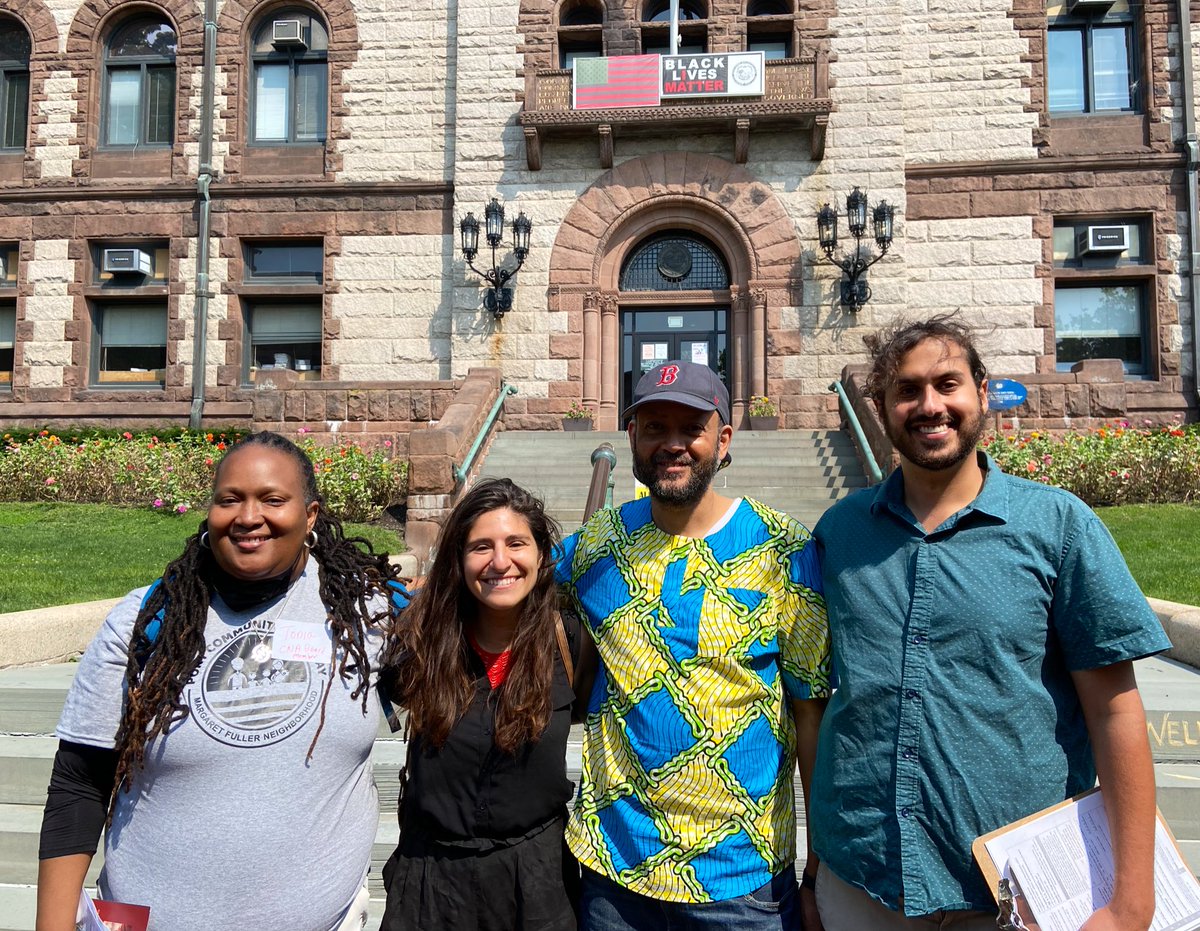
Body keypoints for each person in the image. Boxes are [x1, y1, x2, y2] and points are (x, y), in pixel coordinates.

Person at [810, 314, 1171, 931]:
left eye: (947, 384)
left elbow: (1115, 710)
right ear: (880, 406)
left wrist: (1134, 900)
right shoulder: (839, 532)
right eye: (907, 389)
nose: (930, 405)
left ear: (981, 391)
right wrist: (818, 869)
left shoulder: (1058, 525)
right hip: (864, 880)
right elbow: (824, 705)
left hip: (1016, 887)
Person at [37, 431, 403, 931]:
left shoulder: (366, 613)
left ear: (311, 515)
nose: (249, 517)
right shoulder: (145, 619)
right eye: (230, 499)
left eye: (273, 499)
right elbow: (79, 784)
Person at [556, 360, 831, 930]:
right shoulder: (597, 543)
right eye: (654, 427)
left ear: (723, 439)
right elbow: (506, 576)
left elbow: (810, 715)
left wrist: (818, 868)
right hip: (613, 873)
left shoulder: (786, 551)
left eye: (691, 429)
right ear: (632, 436)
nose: (672, 444)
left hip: (740, 881)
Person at [378, 477, 587, 931]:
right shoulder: (417, 642)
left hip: (538, 883)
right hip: (431, 882)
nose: (500, 562)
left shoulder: (569, 642)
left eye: (516, 543)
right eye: (481, 547)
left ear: (540, 555)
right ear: (458, 557)